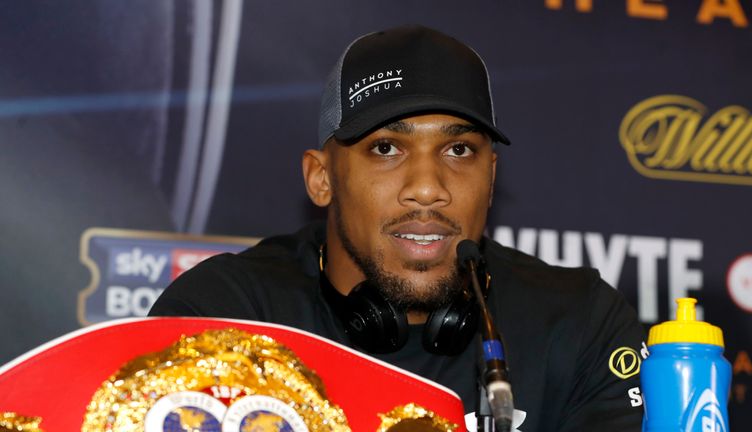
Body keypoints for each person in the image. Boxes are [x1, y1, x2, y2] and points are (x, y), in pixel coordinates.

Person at [150, 25, 646, 431]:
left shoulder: (579, 323)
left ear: (491, 178)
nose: (428, 188)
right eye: (386, 148)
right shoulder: (225, 317)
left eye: (459, 150)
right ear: (321, 178)